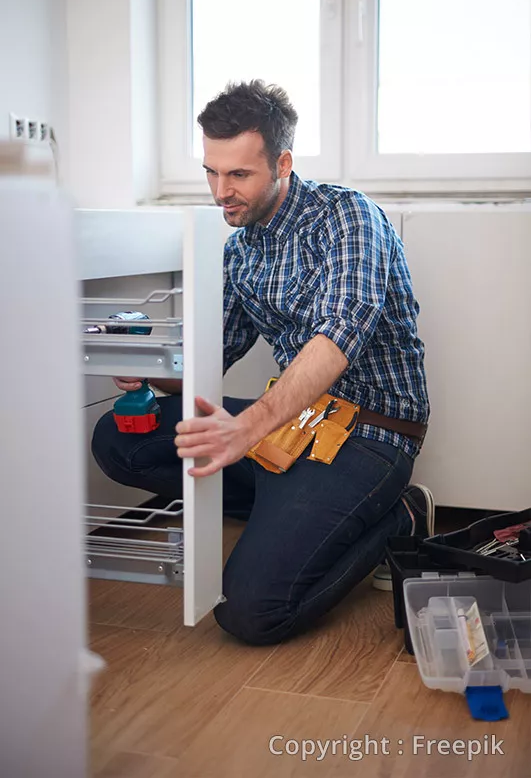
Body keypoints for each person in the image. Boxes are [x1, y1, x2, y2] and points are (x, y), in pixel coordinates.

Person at [91, 79, 433, 646]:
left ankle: (401, 515)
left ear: (283, 163)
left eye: (239, 175)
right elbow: (212, 351)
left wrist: (244, 428)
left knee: (250, 613)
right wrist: (144, 364)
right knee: (120, 438)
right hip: (293, 428)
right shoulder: (242, 247)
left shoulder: (348, 219)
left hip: (372, 433)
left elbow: (335, 342)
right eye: (211, 171)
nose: (221, 191)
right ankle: (291, 513)